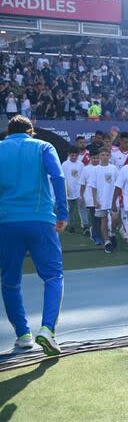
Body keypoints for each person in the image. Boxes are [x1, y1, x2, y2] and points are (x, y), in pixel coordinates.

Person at [0, 115, 67, 355]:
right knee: (53, 276)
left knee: (9, 281)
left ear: (8, 132)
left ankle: (23, 335)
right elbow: (58, 177)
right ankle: (47, 329)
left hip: (6, 222)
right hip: (41, 220)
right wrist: (63, 212)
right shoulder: (43, 146)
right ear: (31, 132)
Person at [91, 147, 119, 253]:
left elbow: (118, 184)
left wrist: (118, 197)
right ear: (99, 156)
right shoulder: (95, 169)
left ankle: (112, 233)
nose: (104, 157)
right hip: (101, 199)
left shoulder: (114, 169)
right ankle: (107, 241)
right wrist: (95, 201)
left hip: (113, 199)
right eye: (102, 155)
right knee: (104, 220)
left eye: (107, 155)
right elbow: (93, 187)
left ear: (110, 156)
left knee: (115, 218)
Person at [62, 146, 89, 235]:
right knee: (70, 210)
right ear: (69, 155)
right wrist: (66, 189)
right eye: (72, 155)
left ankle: (85, 226)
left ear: (78, 155)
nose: (74, 157)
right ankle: (71, 226)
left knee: (82, 208)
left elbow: (83, 178)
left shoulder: (81, 164)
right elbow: (63, 178)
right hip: (69, 191)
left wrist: (82, 191)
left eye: (75, 155)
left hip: (79, 191)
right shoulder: (64, 164)